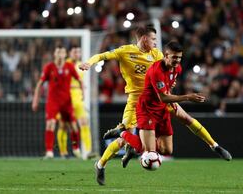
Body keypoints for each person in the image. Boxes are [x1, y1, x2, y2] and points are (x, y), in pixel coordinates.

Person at [79, 26, 231, 186]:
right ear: (144, 38)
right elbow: (102, 55)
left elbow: (168, 73)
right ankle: (101, 164)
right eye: (153, 39)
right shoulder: (125, 51)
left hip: (160, 97)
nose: (155, 42)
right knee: (126, 141)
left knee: (185, 117)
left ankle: (215, 146)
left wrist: (170, 88)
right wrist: (89, 63)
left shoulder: (158, 54)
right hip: (137, 100)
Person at [117, 41, 207, 157]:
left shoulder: (177, 68)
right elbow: (163, 97)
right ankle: (122, 135)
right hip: (148, 107)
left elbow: (166, 89)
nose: (177, 60)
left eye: (179, 58)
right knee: (147, 150)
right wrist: (188, 97)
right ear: (166, 55)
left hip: (162, 107)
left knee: (167, 151)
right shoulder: (156, 70)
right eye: (174, 57)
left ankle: (132, 142)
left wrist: (171, 90)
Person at [32, 46, 82, 159]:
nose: (60, 54)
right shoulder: (49, 67)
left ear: (65, 54)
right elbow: (40, 84)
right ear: (55, 53)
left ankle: (76, 149)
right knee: (51, 124)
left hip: (66, 102)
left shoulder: (69, 66)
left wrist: (82, 93)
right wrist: (35, 100)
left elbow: (79, 80)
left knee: (73, 127)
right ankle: (49, 152)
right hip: (53, 101)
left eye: (62, 52)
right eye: (58, 52)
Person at [57, 46, 95, 159]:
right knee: (63, 126)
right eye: (74, 51)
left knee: (84, 122)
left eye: (78, 51)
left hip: (77, 99)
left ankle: (88, 151)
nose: (77, 53)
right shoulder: (64, 64)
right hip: (65, 99)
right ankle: (63, 152)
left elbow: (80, 81)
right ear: (69, 53)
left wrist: (82, 88)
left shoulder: (81, 65)